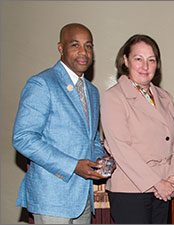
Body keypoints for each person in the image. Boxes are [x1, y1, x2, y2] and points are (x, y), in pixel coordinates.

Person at [12, 23, 108, 224]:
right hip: (51, 198)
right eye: (75, 45)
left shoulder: (92, 92)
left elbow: (90, 139)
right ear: (60, 48)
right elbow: (23, 138)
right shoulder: (42, 83)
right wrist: (72, 166)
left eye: (88, 46)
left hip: (83, 197)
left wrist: (102, 160)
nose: (84, 52)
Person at [100, 34, 174, 223]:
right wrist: (156, 183)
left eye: (151, 60)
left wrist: (172, 178)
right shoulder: (114, 97)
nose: (145, 66)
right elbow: (120, 148)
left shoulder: (165, 97)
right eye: (138, 59)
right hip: (131, 189)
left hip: (165, 189)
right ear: (125, 61)